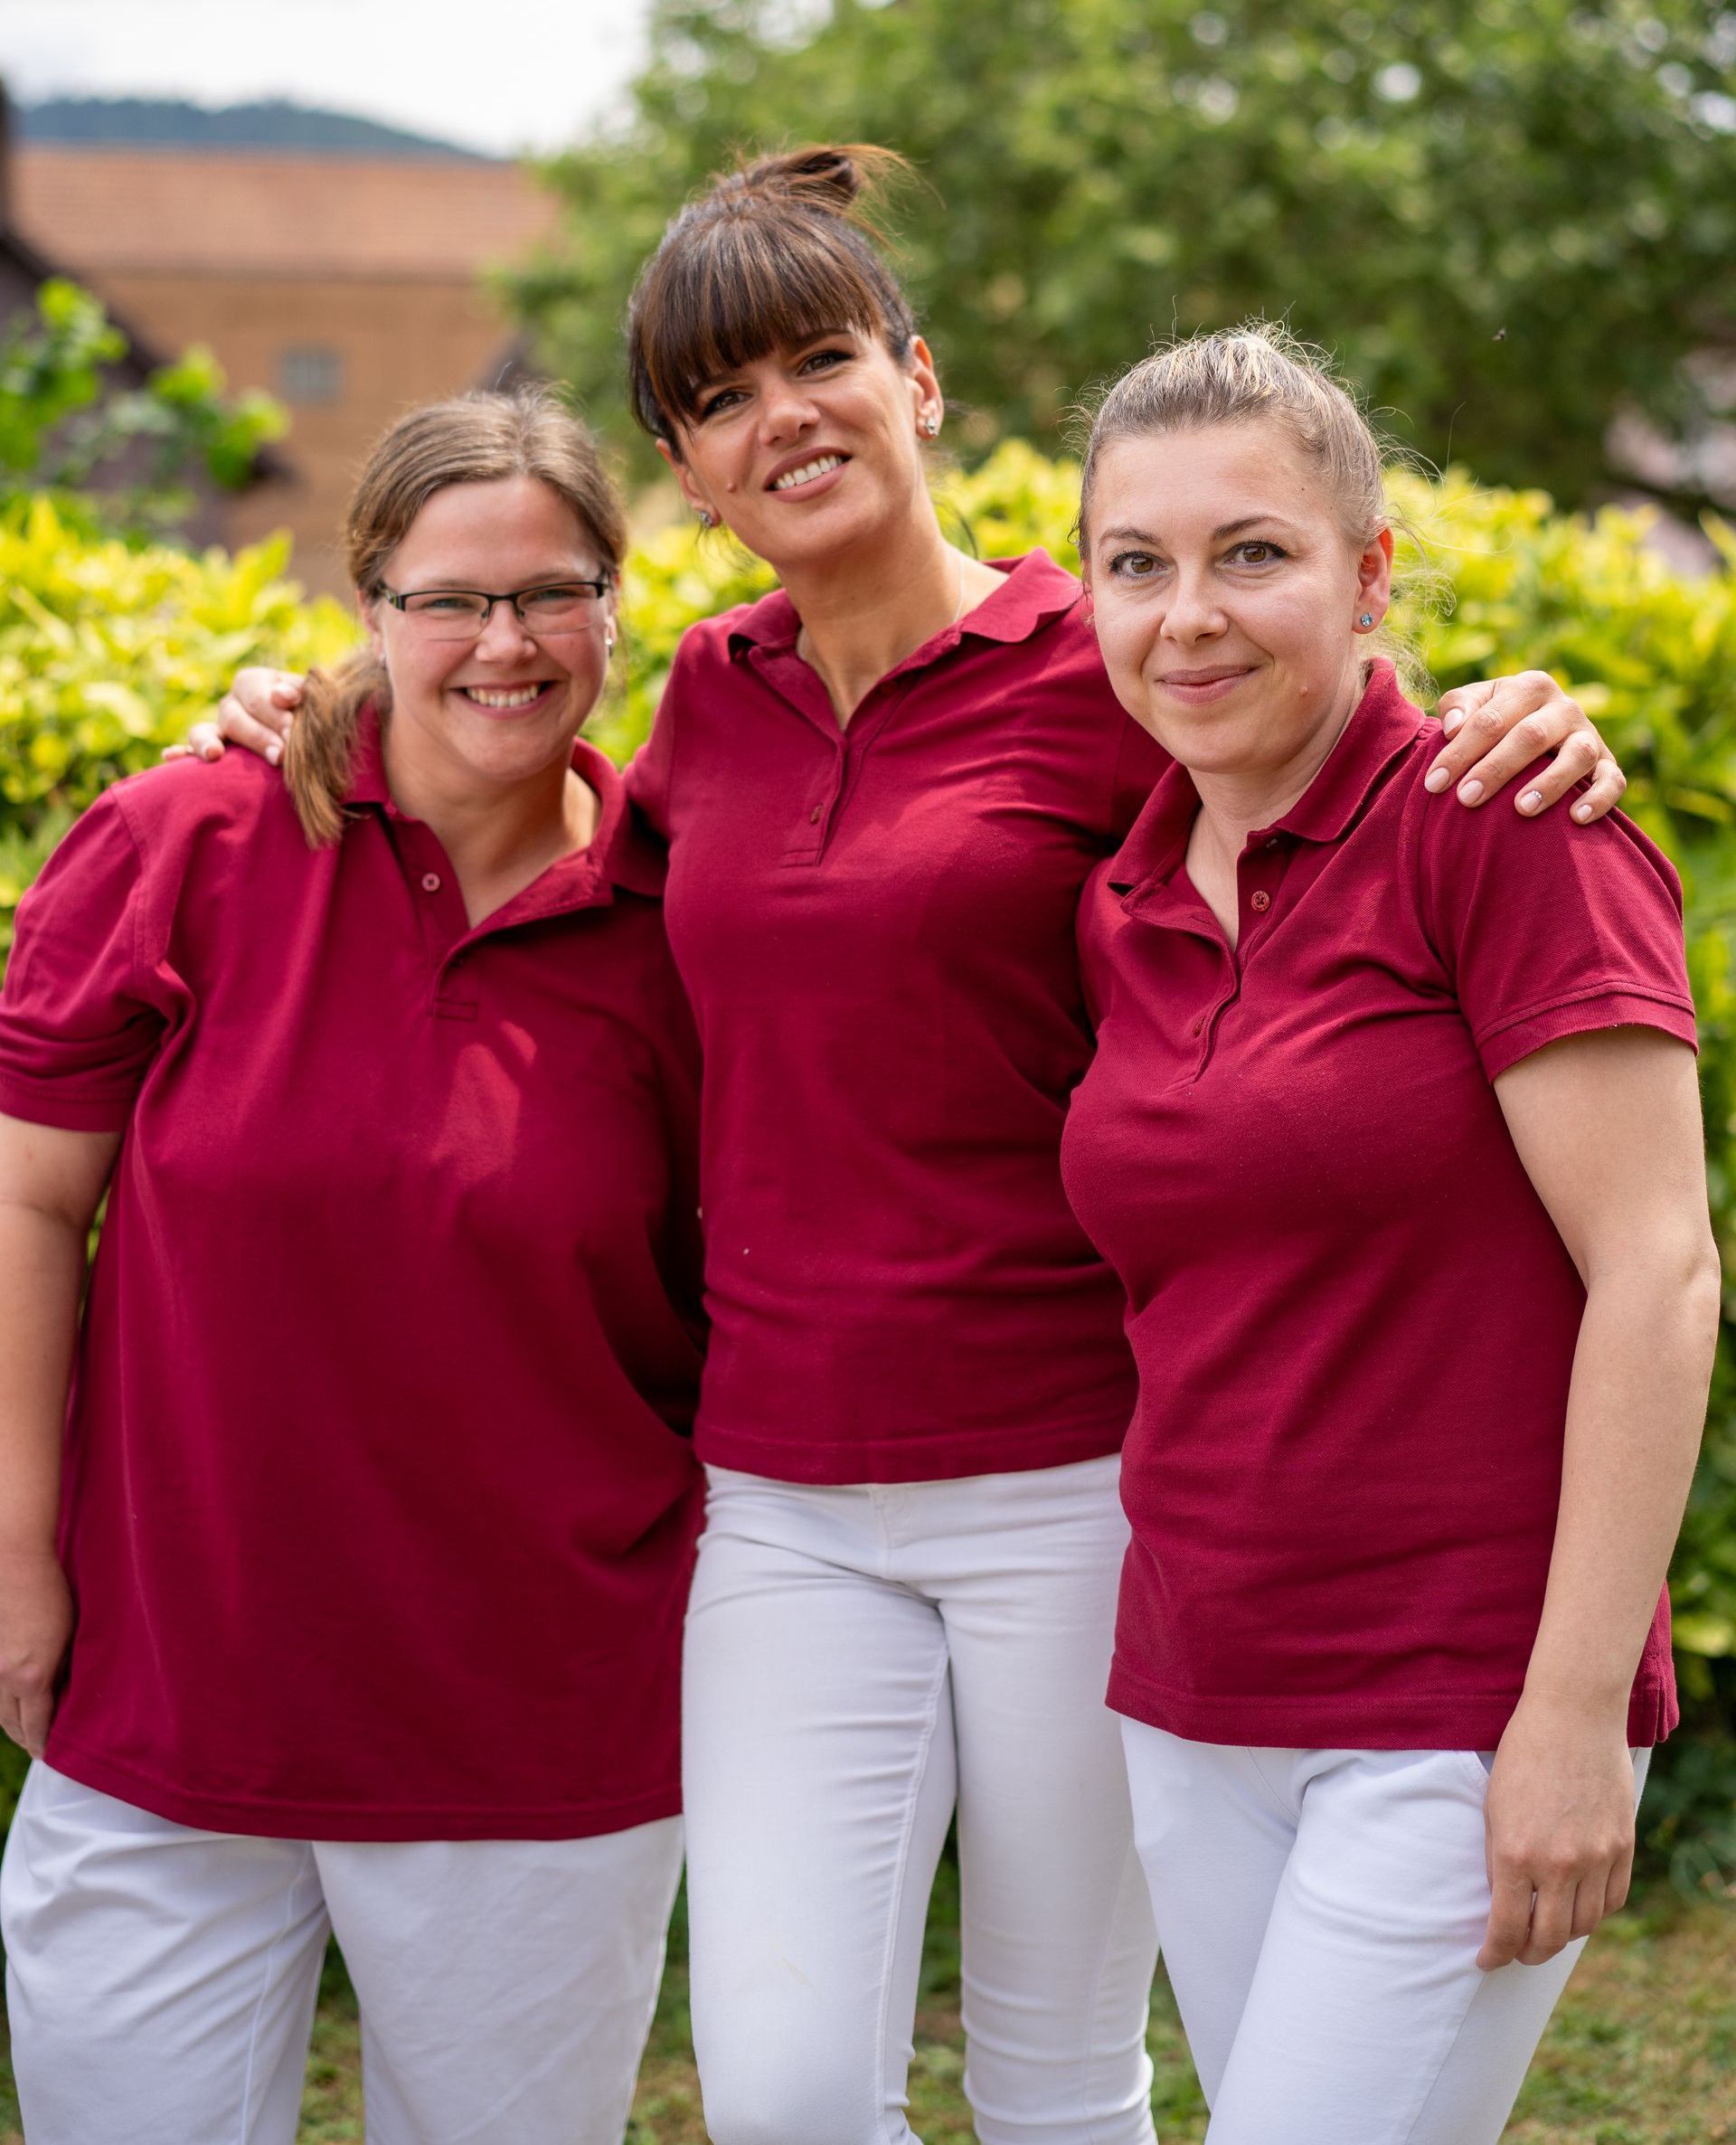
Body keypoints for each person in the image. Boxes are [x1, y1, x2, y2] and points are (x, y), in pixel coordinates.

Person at [189, 150, 1631, 2145]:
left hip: (1085, 1474)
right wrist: (328, 700)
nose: (781, 414)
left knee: (1055, 2077)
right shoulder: (708, 697)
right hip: (776, 1489)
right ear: (688, 474)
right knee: (780, 2092)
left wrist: (1532, 713)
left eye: (820, 356)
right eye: (717, 397)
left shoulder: (1114, 659)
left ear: (920, 379)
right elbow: (523, 820)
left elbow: (1326, 752)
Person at [0, 388, 707, 2145]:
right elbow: (23, 1202)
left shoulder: (688, 918)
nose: (503, 641)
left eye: (550, 591)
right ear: (368, 604)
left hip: (538, 1724)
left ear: (616, 604)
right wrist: (16, 1550)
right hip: (168, 1687)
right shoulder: (191, 843)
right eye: (448, 597)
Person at [1061, 326, 1718, 2143]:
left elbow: (1658, 1273)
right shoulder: (1120, 898)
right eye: (1140, 564)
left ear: (1369, 574)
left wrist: (1576, 1714)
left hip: (1456, 1703)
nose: (1190, 614)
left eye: (1252, 552)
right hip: (1196, 1691)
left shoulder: (1505, 830)